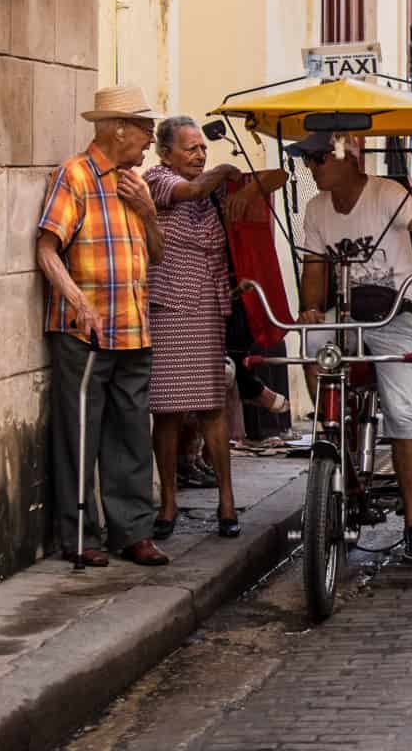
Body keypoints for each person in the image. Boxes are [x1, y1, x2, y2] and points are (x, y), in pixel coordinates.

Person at [291, 131, 412, 561]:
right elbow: (314, 268)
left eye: (317, 158)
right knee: (308, 342)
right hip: (347, 314)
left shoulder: (386, 192)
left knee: (402, 413)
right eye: (308, 160)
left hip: (395, 312)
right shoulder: (315, 209)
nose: (311, 168)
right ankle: (330, 431)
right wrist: (310, 309)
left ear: (347, 156)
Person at [36, 86, 169, 567]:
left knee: (132, 434)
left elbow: (156, 254)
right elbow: (47, 249)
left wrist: (149, 212)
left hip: (134, 327)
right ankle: (78, 535)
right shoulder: (75, 176)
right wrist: (78, 302)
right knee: (80, 435)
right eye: (145, 131)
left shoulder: (137, 185)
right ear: (118, 130)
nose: (149, 142)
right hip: (85, 331)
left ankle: (132, 531)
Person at [143, 116, 287, 540]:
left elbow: (273, 179)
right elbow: (191, 188)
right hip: (170, 307)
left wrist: (242, 181)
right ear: (166, 153)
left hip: (208, 310)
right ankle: (169, 502)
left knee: (211, 407)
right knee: (168, 410)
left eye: (202, 148)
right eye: (190, 148)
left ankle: (227, 500)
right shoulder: (159, 181)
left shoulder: (212, 196)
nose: (200, 154)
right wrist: (224, 171)